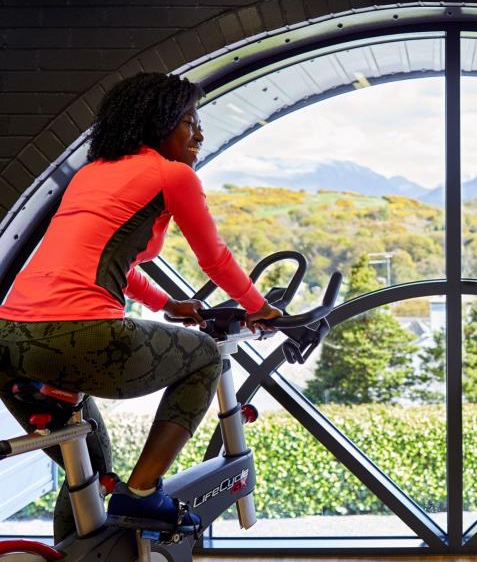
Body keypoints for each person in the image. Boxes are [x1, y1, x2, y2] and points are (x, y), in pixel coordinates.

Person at [0, 72, 282, 539]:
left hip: (9, 341)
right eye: (190, 122)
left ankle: (76, 550)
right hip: (80, 335)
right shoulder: (172, 175)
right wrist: (259, 309)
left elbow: (104, 263)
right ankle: (145, 491)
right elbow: (214, 258)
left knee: (86, 473)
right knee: (205, 357)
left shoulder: (91, 174)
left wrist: (167, 302)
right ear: (161, 122)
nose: (200, 134)